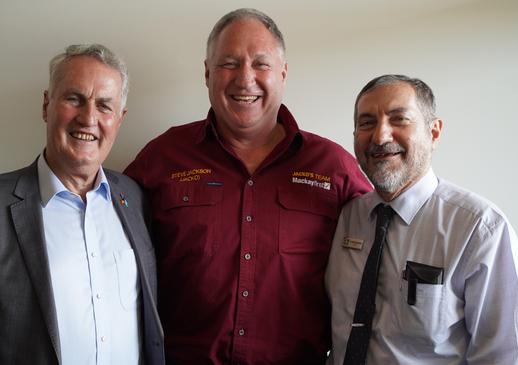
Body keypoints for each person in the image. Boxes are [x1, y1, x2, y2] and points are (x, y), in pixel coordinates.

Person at [123, 8, 372, 365]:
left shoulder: (332, 167)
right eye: (228, 63)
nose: (245, 79)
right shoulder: (162, 158)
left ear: (282, 74)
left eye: (260, 64)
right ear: (207, 73)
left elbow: (383, 254)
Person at [0, 44, 165, 365]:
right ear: (46, 105)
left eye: (104, 106)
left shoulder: (134, 198)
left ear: (119, 120)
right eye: (74, 98)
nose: (88, 117)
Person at [325, 74, 518, 364]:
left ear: (434, 133)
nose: (380, 136)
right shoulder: (347, 217)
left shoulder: (480, 229)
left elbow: (503, 356)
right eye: (367, 122)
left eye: (399, 119)